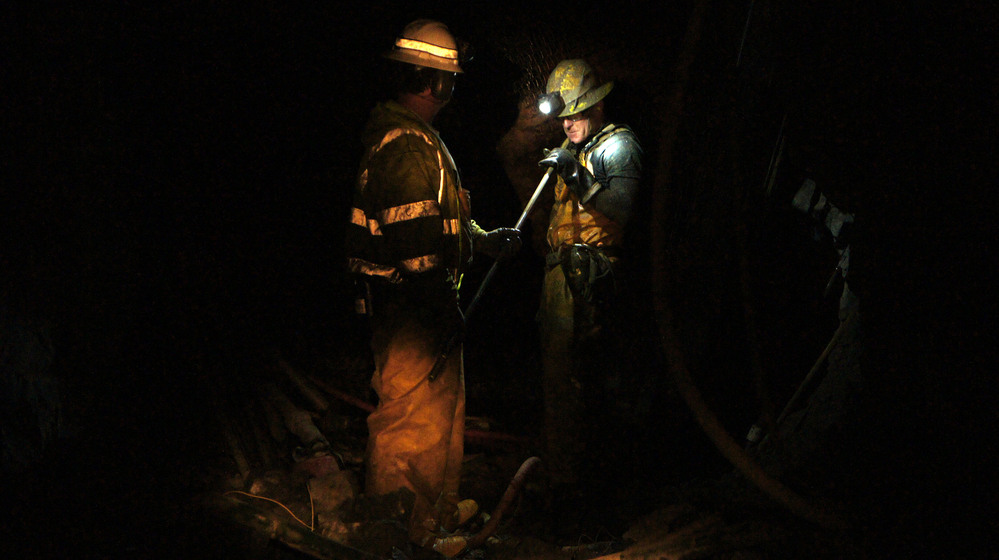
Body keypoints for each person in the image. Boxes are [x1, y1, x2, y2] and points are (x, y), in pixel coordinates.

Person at [344, 19, 520, 557]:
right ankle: (399, 533)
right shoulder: (404, 144)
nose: (451, 91)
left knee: (438, 417)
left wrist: (483, 240)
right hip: (411, 310)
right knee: (408, 422)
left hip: (424, 308)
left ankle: (432, 516)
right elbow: (415, 247)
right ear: (432, 82)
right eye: (448, 81)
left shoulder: (419, 140)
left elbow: (438, 221)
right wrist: (442, 305)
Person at [534, 59, 645, 524]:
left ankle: (595, 501)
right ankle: (564, 490)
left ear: (598, 106)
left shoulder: (618, 146)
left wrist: (574, 174)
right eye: (564, 116)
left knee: (590, 386)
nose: (568, 123)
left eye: (576, 113)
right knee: (559, 386)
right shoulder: (571, 148)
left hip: (594, 280)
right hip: (561, 276)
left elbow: (621, 209)